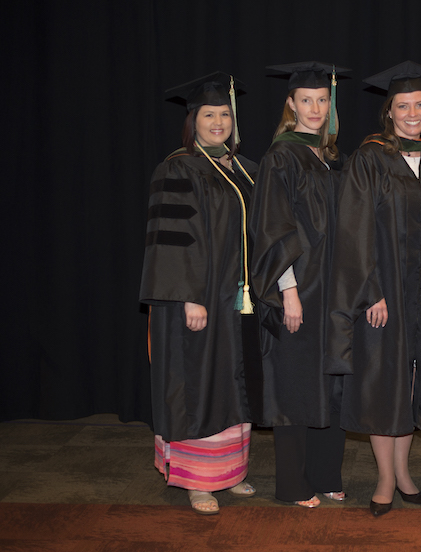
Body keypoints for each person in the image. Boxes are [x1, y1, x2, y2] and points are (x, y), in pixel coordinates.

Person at [324, 61, 421, 516]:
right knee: (384, 385)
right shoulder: (369, 159)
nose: (413, 113)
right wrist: (370, 290)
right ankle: (384, 479)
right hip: (385, 294)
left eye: (420, 104)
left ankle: (404, 473)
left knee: (412, 382)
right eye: (404, 106)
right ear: (390, 112)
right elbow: (353, 229)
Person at [139, 72, 258, 515]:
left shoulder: (239, 167)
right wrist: (189, 295)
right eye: (209, 114)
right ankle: (197, 480)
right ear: (193, 120)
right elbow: (171, 239)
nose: (219, 122)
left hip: (233, 299)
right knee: (197, 384)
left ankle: (230, 473)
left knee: (229, 382)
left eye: (225, 114)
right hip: (196, 300)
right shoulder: (177, 168)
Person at [249, 61, 349, 508]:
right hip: (299, 290)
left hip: (331, 291)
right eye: (306, 100)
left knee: (330, 381)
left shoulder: (329, 157)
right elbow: (273, 227)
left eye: (322, 100)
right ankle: (292, 484)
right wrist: (287, 291)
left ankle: (327, 473)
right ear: (291, 104)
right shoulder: (281, 156)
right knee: (294, 383)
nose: (315, 108)